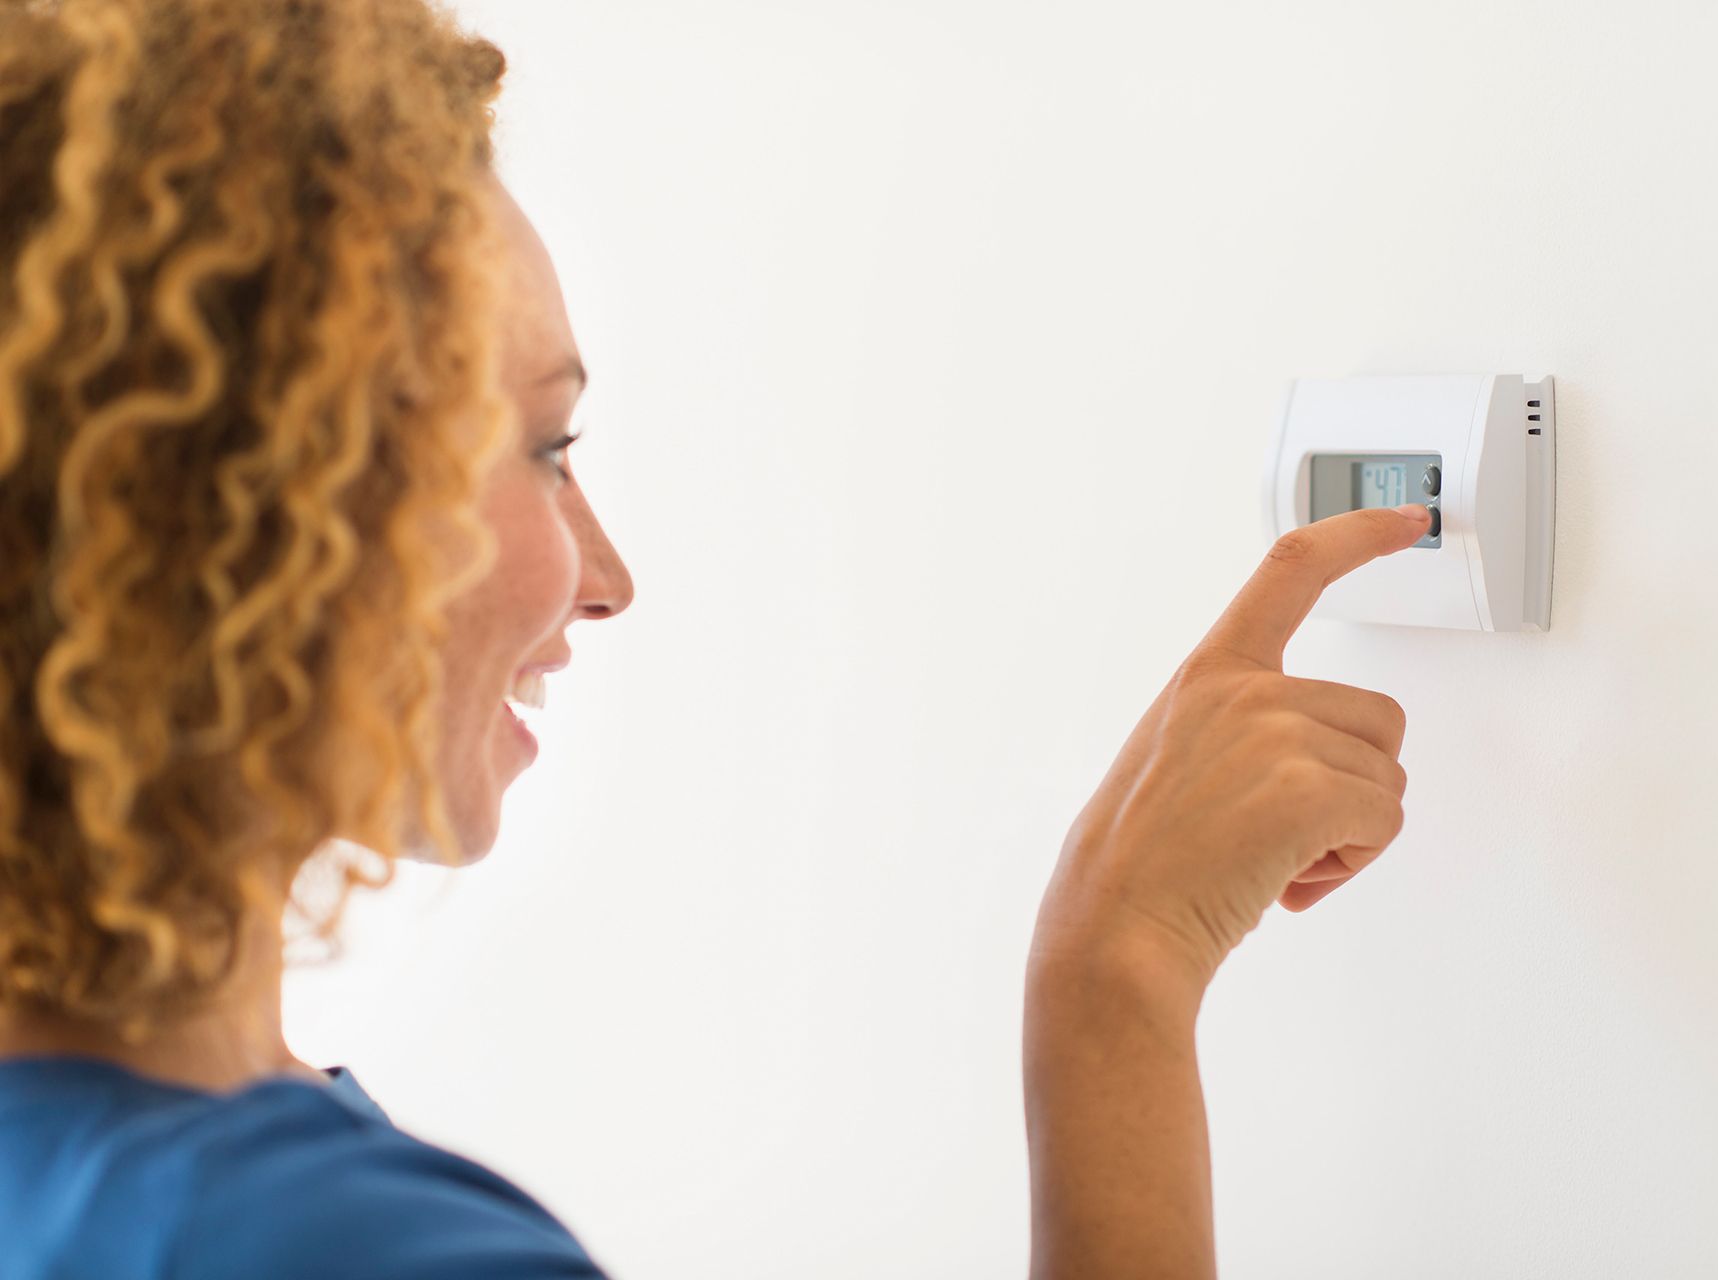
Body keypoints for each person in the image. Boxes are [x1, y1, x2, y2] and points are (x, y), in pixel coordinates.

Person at [0, 1, 1428, 1276]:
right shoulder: (342, 1247)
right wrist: (1118, 978)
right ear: (228, 511)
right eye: (545, 448)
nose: (606, 579)